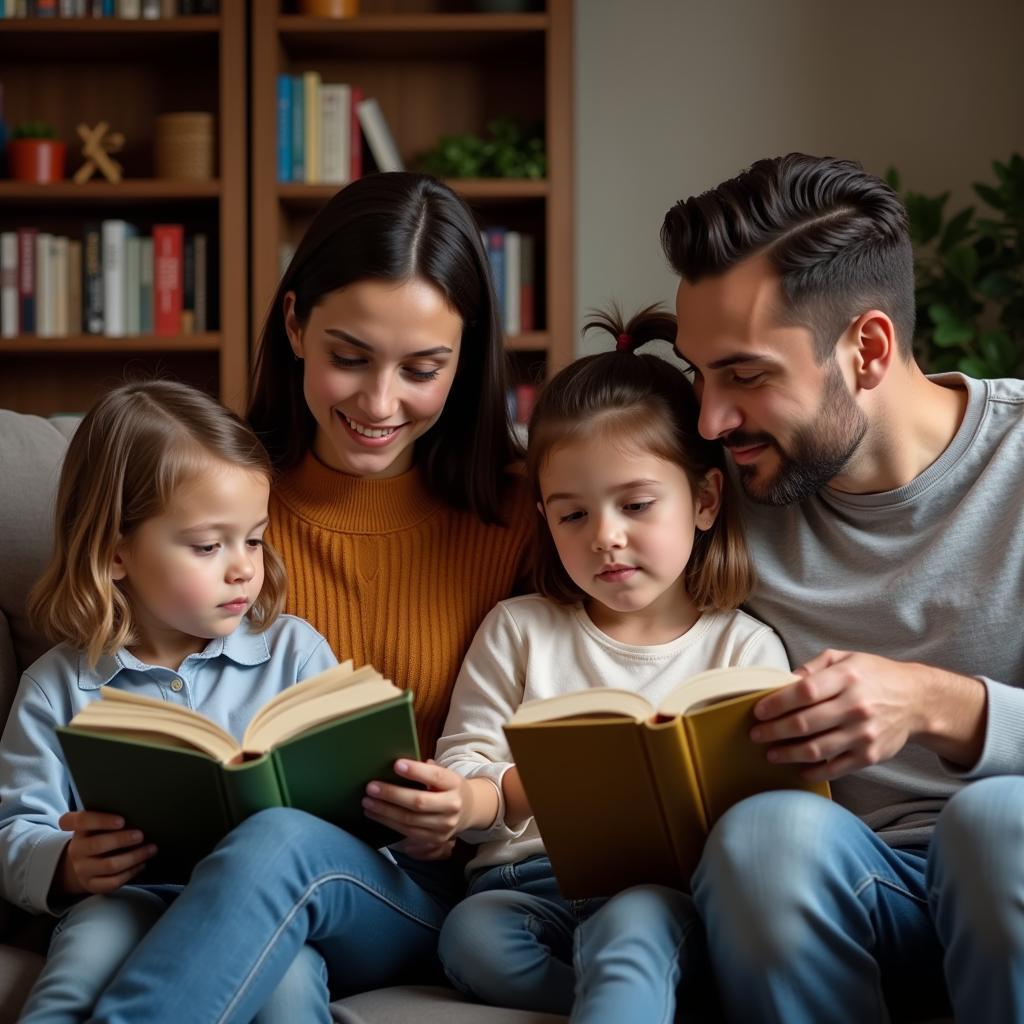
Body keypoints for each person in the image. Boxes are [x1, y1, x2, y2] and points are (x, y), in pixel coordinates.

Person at [88, 172, 532, 1022]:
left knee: (282, 842)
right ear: (294, 324)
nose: (377, 402)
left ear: (466, 357)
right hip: (226, 894)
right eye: (349, 357)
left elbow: (580, 716)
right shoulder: (216, 506)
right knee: (285, 981)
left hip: (419, 891)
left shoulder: (526, 513)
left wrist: (464, 811)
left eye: (423, 369)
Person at [662, 152, 1024, 1023]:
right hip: (851, 888)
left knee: (995, 826)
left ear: (866, 349)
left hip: (1008, 865)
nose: (711, 420)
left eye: (745, 376)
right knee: (761, 836)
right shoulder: (718, 498)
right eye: (698, 374)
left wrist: (942, 705)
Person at [413, 307, 786, 1022]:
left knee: (635, 924)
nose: (606, 539)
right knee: (469, 938)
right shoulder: (519, 628)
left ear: (705, 499)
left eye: (637, 504)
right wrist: (481, 798)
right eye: (573, 515)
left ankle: (632, 990)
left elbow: (768, 810)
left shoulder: (744, 648)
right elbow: (468, 762)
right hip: (528, 885)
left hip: (663, 890)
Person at [0, 380, 339, 1023]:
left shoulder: (293, 652)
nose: (242, 568)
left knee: (293, 984)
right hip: (123, 898)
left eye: (255, 539)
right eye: (209, 546)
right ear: (117, 551)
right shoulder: (57, 685)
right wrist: (65, 864)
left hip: (263, 905)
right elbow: (12, 829)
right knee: (81, 966)